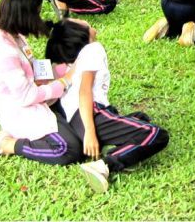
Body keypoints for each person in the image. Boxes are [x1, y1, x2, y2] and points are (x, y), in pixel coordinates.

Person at [45, 19, 169, 192]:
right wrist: (90, 132)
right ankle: (104, 165)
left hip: (78, 120)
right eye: (83, 24)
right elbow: (84, 92)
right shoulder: (92, 49)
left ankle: (110, 147)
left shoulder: (73, 62)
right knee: (156, 134)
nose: (87, 23)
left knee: (140, 118)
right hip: (91, 113)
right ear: (80, 33)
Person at [0, 0, 81, 165]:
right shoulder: (3, 51)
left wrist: (63, 69)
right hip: (22, 110)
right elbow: (26, 96)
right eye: (36, 13)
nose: (39, 18)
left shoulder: (15, 36)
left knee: (82, 120)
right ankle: (8, 144)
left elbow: (33, 69)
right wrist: (63, 82)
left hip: (38, 97)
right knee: (68, 149)